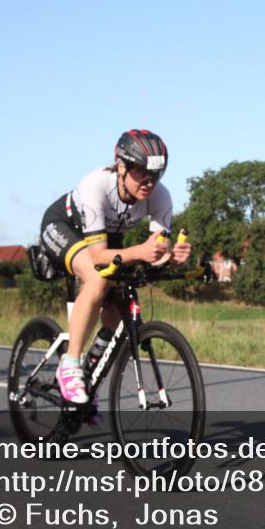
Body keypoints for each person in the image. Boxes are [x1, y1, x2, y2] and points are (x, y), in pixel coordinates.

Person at [39, 129, 192, 404]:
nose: (149, 181)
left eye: (156, 174)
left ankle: (88, 381)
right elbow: (98, 257)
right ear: (121, 167)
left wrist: (171, 257)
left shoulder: (161, 197)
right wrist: (139, 251)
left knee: (117, 313)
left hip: (108, 238)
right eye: (141, 172)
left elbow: (155, 252)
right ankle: (70, 364)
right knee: (98, 279)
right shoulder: (96, 184)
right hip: (64, 227)